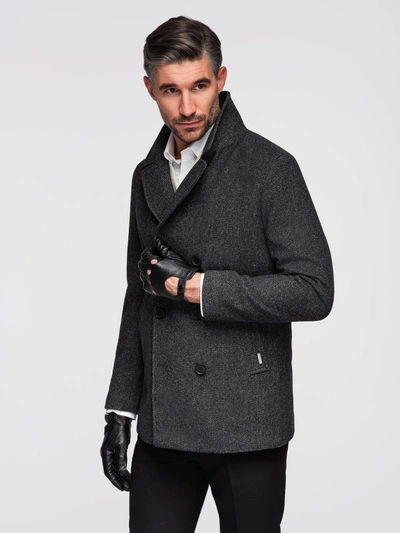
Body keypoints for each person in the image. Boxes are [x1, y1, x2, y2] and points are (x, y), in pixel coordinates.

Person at [100, 16, 334, 533]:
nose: (187, 107)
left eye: (200, 86)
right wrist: (120, 409)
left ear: (221, 79)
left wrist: (198, 287)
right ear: (149, 89)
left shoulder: (270, 168)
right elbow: (138, 295)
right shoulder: (147, 175)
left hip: (247, 419)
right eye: (171, 90)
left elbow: (315, 290)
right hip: (165, 417)